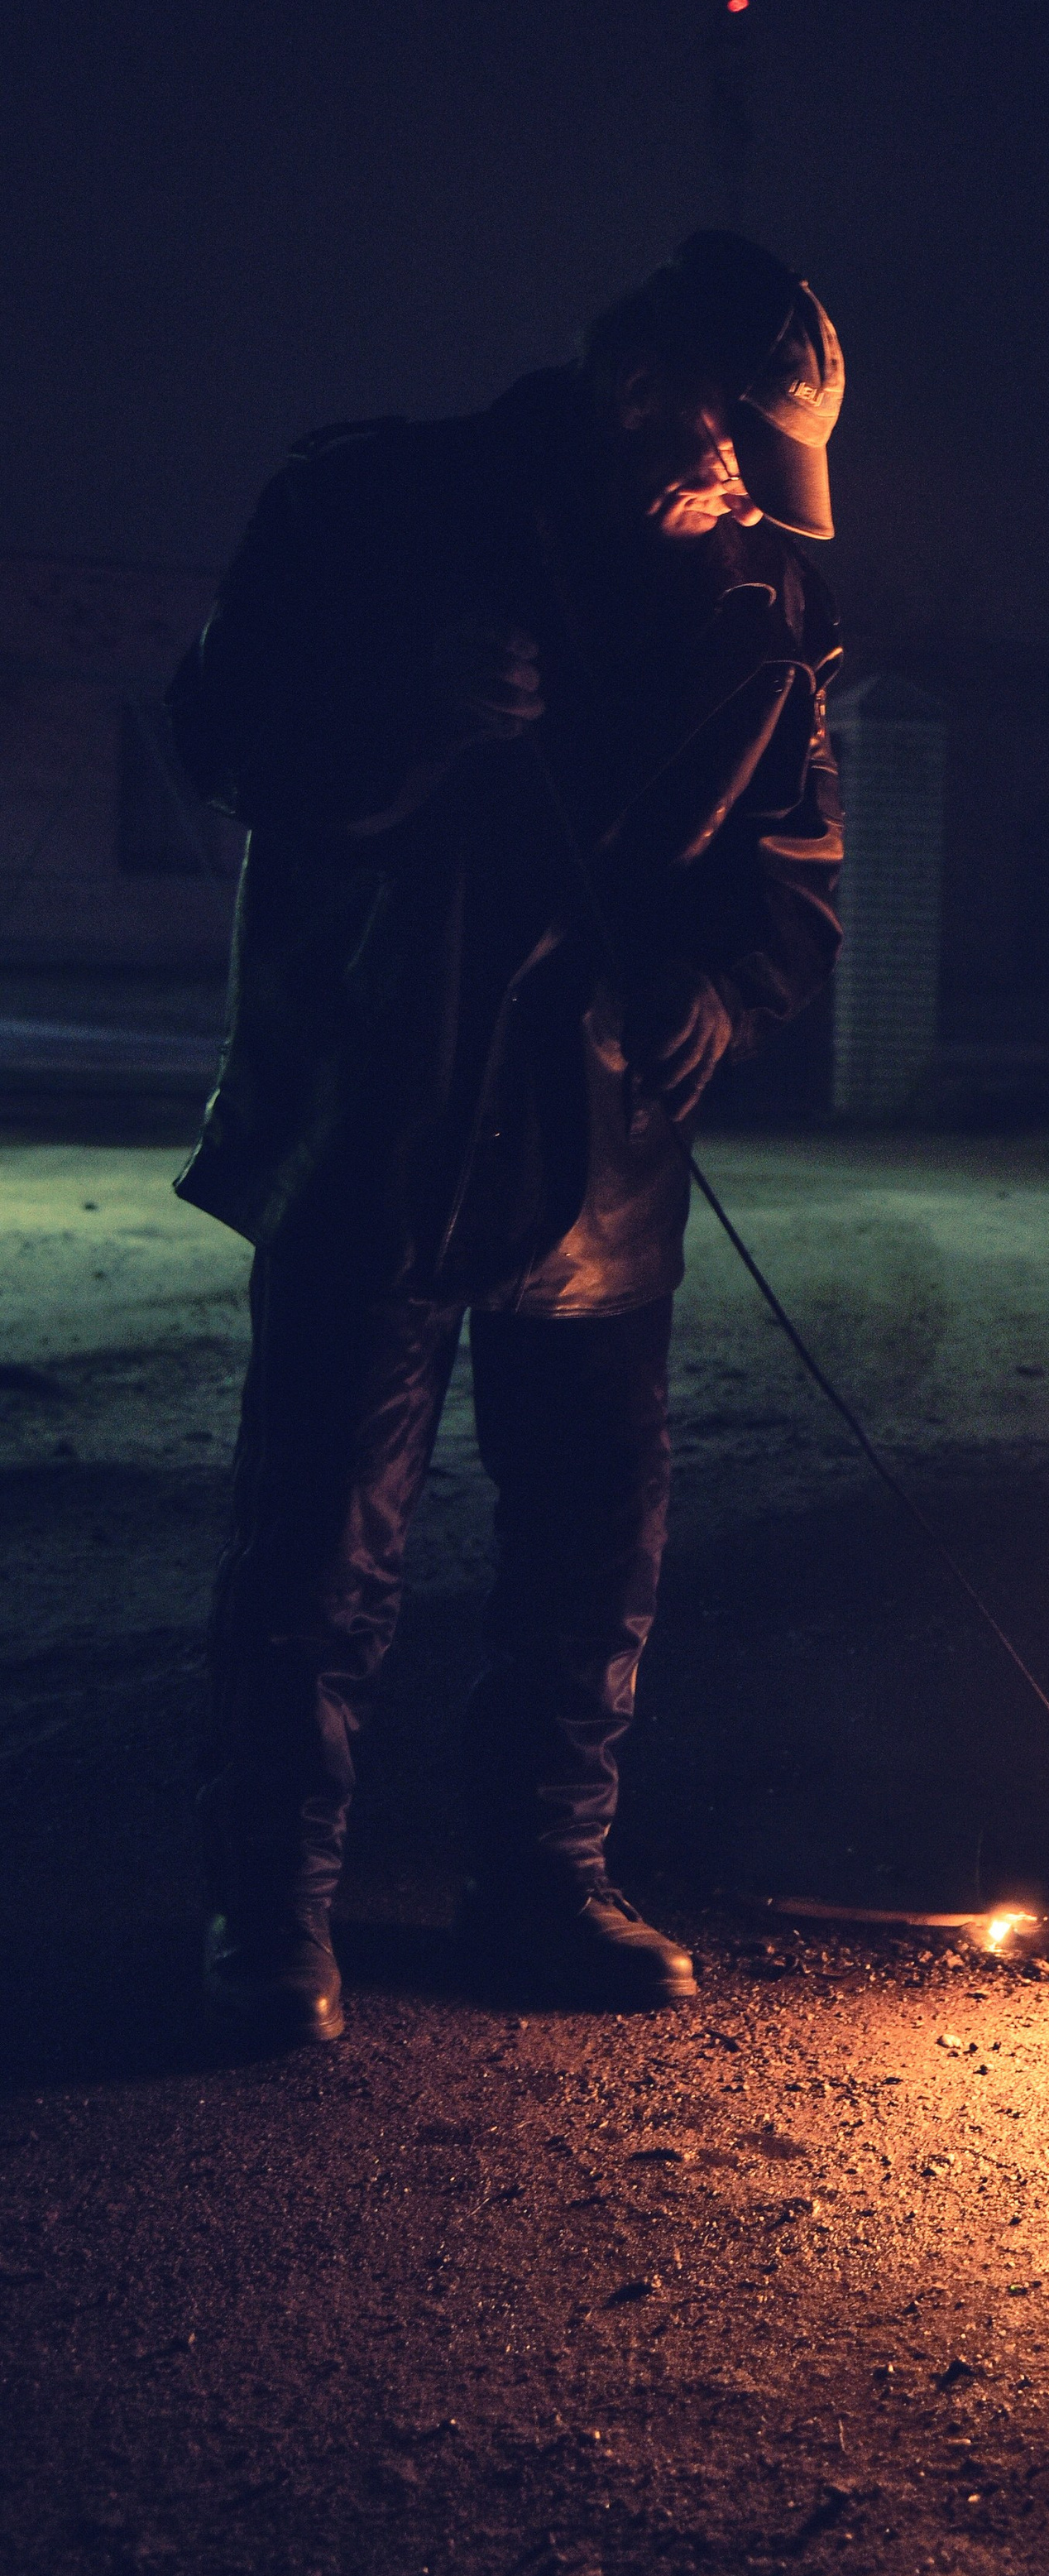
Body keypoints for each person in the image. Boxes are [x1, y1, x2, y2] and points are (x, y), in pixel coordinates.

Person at [167, 231, 845, 2042]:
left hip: (598, 1138)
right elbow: (217, 732)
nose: (736, 502)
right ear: (647, 394)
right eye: (723, 457)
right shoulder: (374, 504)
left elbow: (797, 870)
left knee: (592, 1538)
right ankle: (268, 1916)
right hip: (381, 1098)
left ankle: (542, 1880)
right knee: (318, 1539)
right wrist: (410, 709)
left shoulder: (759, 607)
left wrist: (723, 984)